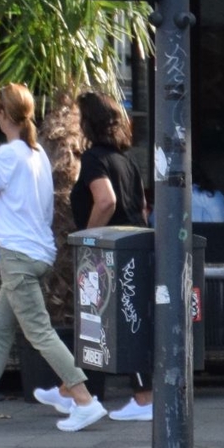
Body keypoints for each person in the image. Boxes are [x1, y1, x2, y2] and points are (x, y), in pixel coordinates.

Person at [0, 82, 105, 432]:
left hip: (18, 257)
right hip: (38, 253)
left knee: (39, 332)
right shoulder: (37, 155)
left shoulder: (9, 155)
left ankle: (84, 399)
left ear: (1, 113)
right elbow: (10, 206)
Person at [75, 92, 153, 424]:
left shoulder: (95, 159)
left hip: (109, 251)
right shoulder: (127, 159)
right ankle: (76, 391)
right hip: (136, 244)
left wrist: (88, 240)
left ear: (86, 123)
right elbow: (144, 207)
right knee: (120, 321)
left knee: (111, 322)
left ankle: (143, 396)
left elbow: (105, 201)